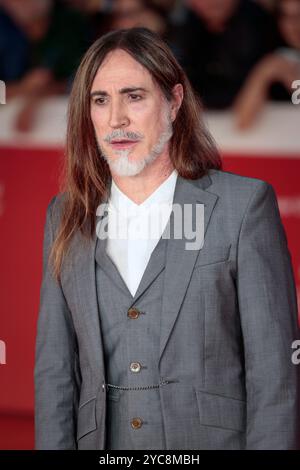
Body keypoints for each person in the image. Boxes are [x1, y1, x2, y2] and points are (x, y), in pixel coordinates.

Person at [34, 27, 300, 450]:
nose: (116, 118)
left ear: (174, 102)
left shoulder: (243, 206)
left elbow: (275, 373)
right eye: (100, 100)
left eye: (134, 96)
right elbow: (55, 371)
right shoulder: (66, 214)